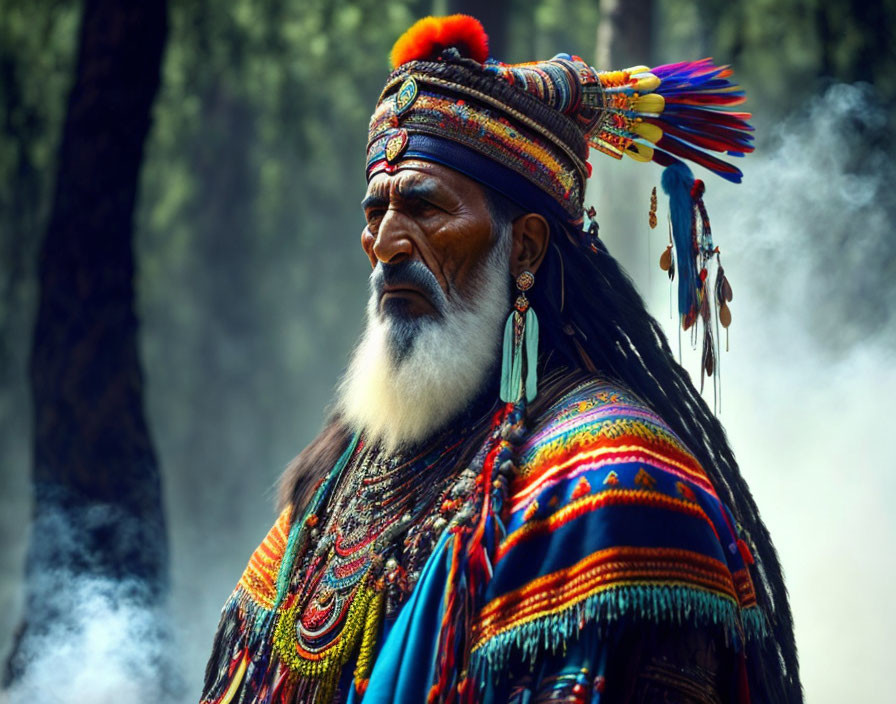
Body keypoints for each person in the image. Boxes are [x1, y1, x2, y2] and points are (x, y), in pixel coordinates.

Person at [200, 15, 801, 704]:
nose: (387, 243)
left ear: (526, 249)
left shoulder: (619, 482)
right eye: (376, 212)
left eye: (425, 208)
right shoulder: (334, 483)